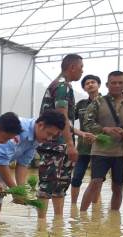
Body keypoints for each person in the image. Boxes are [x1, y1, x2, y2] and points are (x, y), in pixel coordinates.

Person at [0, 110, 66, 222]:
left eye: (53, 136)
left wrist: (20, 190)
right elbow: (2, 162)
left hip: (0, 159)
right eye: (49, 134)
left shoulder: (37, 138)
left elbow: (23, 164)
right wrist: (15, 190)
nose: (49, 139)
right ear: (40, 125)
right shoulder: (17, 130)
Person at [80, 70, 123, 211]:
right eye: (113, 83)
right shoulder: (98, 102)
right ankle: (81, 218)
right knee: (95, 182)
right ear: (107, 85)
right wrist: (105, 129)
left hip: (122, 152)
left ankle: (114, 219)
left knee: (118, 186)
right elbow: (87, 123)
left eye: (120, 83)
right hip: (101, 151)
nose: (117, 85)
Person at [37, 53, 90, 219]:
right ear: (72, 67)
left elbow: (64, 119)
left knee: (60, 185)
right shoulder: (62, 87)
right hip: (54, 144)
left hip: (60, 143)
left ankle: (58, 223)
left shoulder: (63, 85)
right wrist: (71, 145)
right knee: (47, 184)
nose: (82, 72)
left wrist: (79, 132)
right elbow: (62, 116)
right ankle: (41, 225)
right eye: (81, 68)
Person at [70, 74, 100, 204]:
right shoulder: (81, 104)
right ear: (84, 88)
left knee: (97, 180)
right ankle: (73, 207)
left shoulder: (107, 103)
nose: (90, 84)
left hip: (101, 148)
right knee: (76, 178)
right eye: (87, 83)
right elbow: (67, 121)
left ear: (98, 85)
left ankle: (96, 207)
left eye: (93, 82)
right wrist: (79, 132)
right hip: (83, 149)